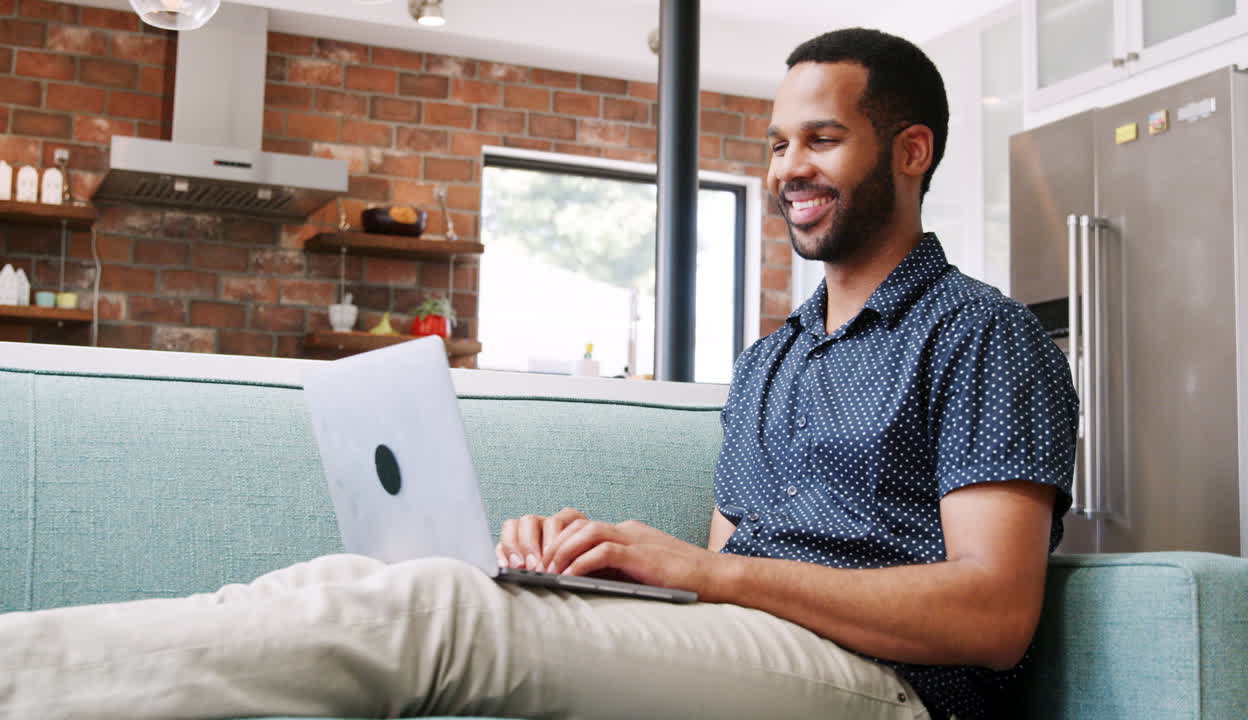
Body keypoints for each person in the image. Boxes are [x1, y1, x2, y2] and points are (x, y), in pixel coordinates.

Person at [0, 27, 1076, 720]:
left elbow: (991, 616)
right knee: (384, 587)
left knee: (430, 620)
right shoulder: (771, 361)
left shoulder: (978, 336)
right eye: (774, 143)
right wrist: (615, 572)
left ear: (910, 151)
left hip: (889, 693)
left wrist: (701, 576)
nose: (786, 167)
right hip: (751, 657)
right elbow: (729, 565)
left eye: (821, 139)